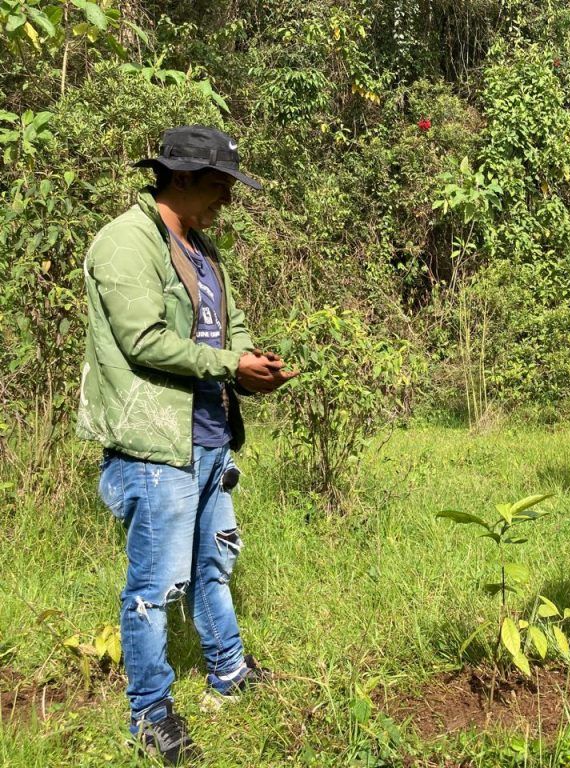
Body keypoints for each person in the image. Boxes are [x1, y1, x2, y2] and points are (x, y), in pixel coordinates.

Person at [77, 126, 297, 765]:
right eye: (221, 185)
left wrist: (254, 361)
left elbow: (230, 326)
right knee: (156, 586)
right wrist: (231, 364)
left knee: (214, 565)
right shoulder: (125, 242)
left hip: (208, 439)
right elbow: (142, 338)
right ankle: (150, 716)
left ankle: (229, 671)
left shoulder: (201, 249)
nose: (227, 198)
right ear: (180, 178)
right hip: (154, 446)